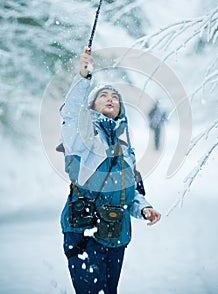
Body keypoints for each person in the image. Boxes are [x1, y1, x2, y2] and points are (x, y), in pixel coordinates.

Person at [59, 47, 161, 294]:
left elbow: (130, 193)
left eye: (115, 97)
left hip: (116, 236)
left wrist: (144, 207)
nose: (110, 98)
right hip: (83, 233)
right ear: (92, 106)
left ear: (120, 109)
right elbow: (70, 114)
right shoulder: (82, 140)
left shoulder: (126, 149)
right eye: (103, 95)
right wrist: (83, 79)